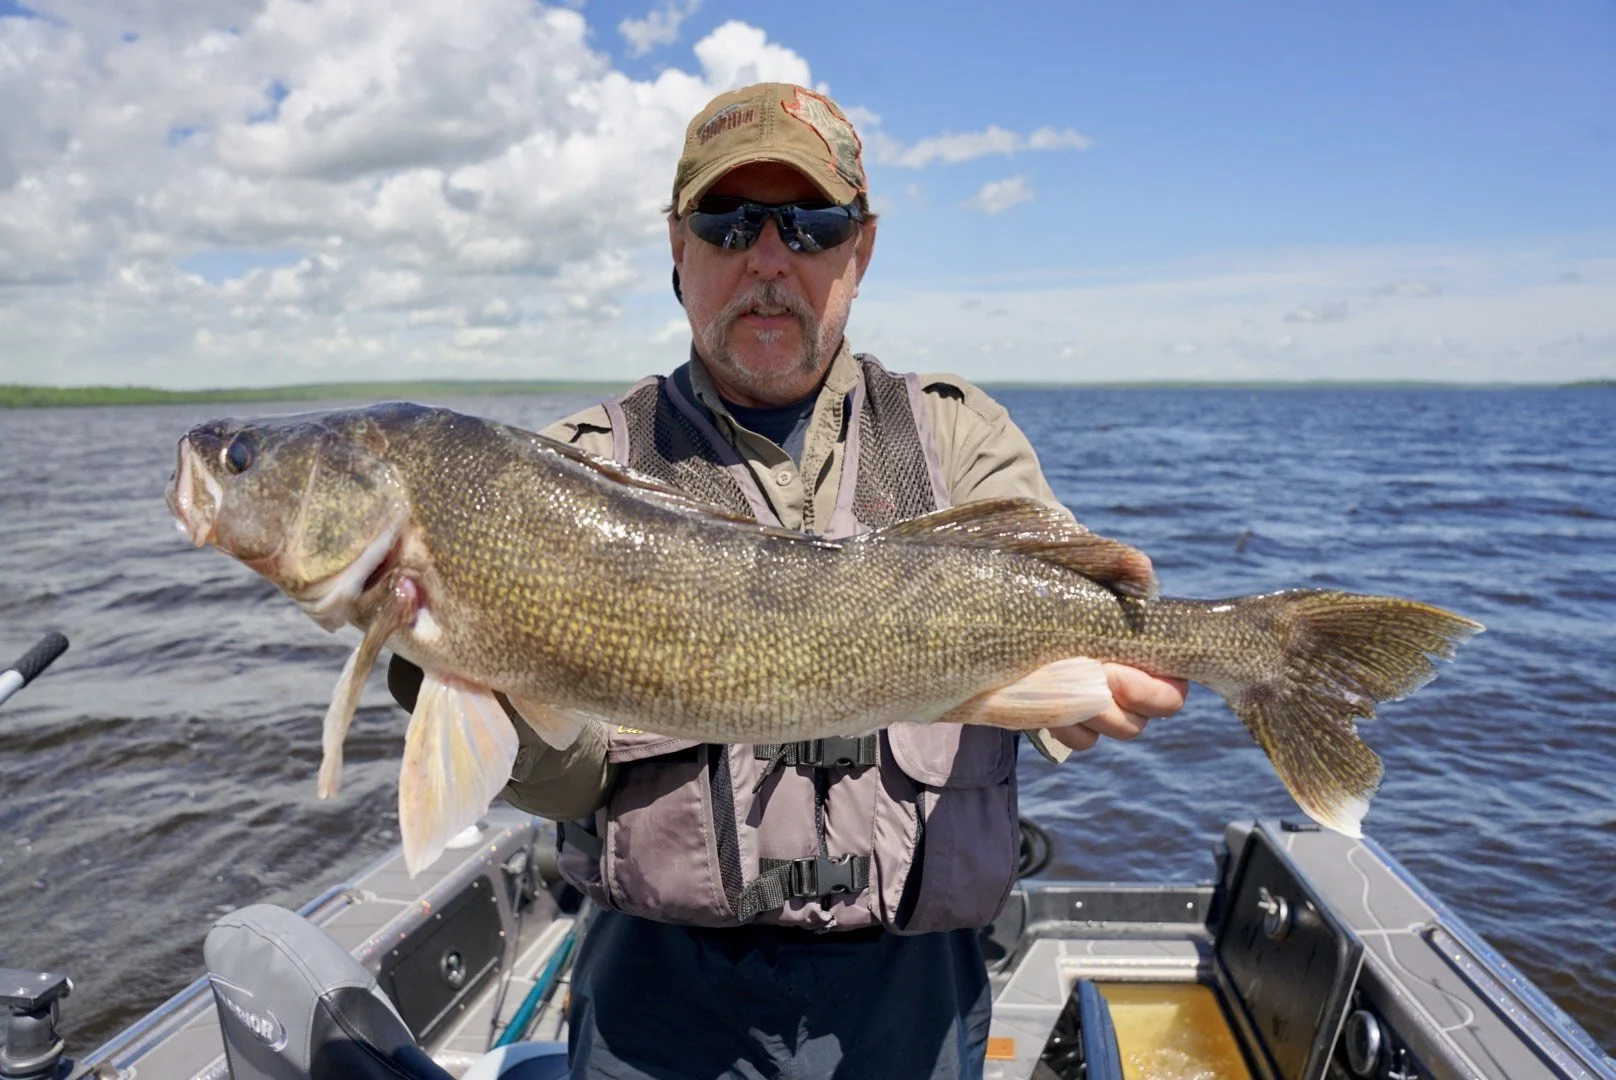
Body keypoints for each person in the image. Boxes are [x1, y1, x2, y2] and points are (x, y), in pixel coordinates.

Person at [390, 82, 1186, 1080]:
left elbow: (1053, 644)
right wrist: (456, 660)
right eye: (727, 223)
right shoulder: (578, 468)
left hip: (912, 1002)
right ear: (676, 248)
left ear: (860, 249)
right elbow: (566, 783)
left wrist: (1083, 696)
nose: (768, 260)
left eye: (809, 226)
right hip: (658, 1002)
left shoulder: (956, 437)